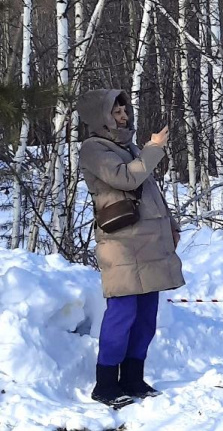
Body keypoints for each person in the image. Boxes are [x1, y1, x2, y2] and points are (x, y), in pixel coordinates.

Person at [78, 90, 184, 408]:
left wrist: (171, 225)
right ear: (101, 116)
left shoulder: (129, 146)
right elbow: (125, 179)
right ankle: (106, 384)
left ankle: (133, 378)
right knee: (121, 315)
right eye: (116, 111)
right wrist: (153, 149)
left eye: (124, 110)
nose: (123, 116)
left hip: (148, 242)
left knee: (146, 316)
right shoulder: (94, 148)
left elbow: (150, 191)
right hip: (122, 245)